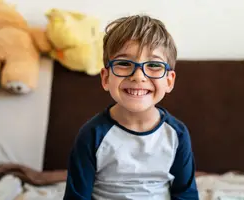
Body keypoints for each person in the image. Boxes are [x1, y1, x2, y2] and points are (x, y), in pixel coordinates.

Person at [63, 14, 199, 200]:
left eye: (153, 65)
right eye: (124, 63)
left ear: (169, 81)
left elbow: (186, 194)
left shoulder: (177, 134)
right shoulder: (92, 135)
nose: (138, 76)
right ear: (105, 78)